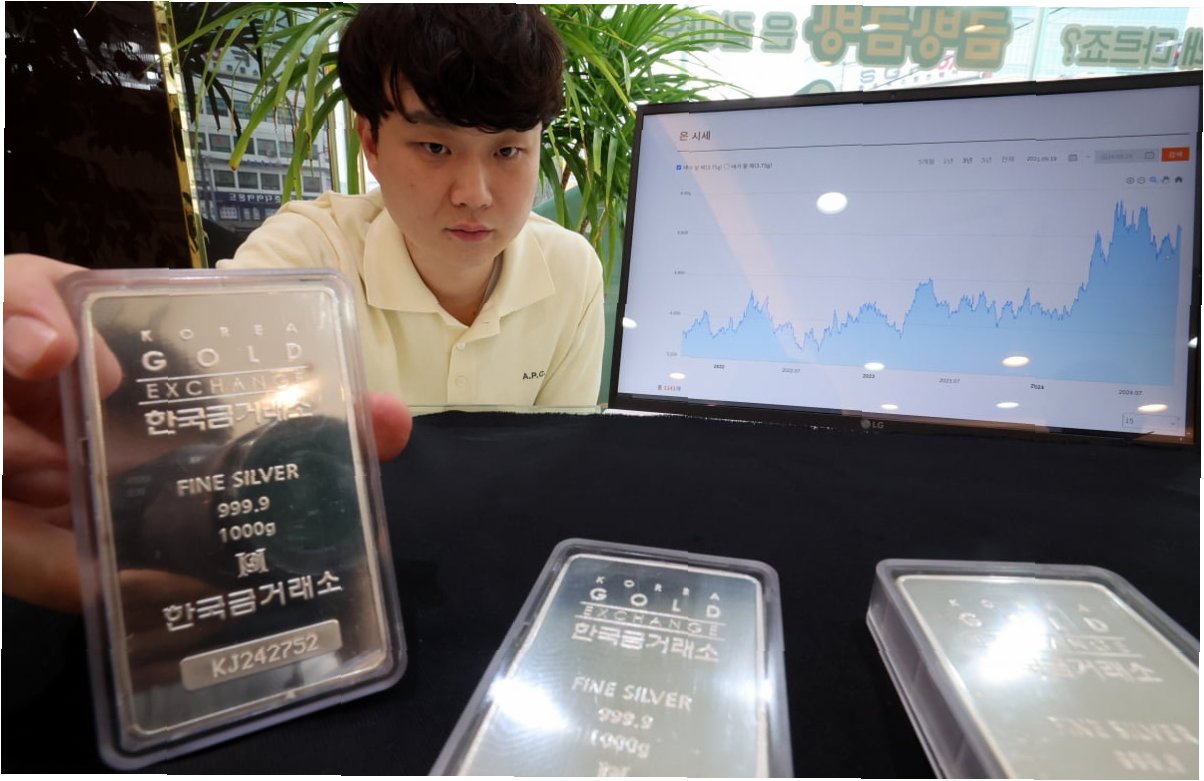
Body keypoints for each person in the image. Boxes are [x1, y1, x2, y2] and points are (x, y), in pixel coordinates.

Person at [218, 4, 605, 410]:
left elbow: (560, 446)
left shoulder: (570, 272)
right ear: (371, 142)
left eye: (507, 151)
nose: (474, 195)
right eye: (435, 147)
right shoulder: (305, 263)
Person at [2, 253, 413, 612]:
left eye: (189, 470)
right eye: (127, 494)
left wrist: (351, 598)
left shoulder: (310, 593)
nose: (208, 504)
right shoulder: (30, 606)